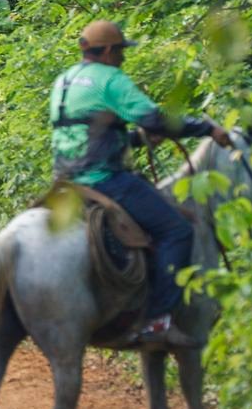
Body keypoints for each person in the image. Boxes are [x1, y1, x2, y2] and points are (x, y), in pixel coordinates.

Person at [50, 20, 232, 348]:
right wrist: (205, 128)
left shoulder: (64, 80)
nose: (122, 58)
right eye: (119, 51)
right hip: (104, 180)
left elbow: (83, 133)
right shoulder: (110, 79)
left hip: (64, 182)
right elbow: (156, 119)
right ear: (105, 51)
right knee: (177, 229)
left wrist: (134, 140)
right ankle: (157, 321)